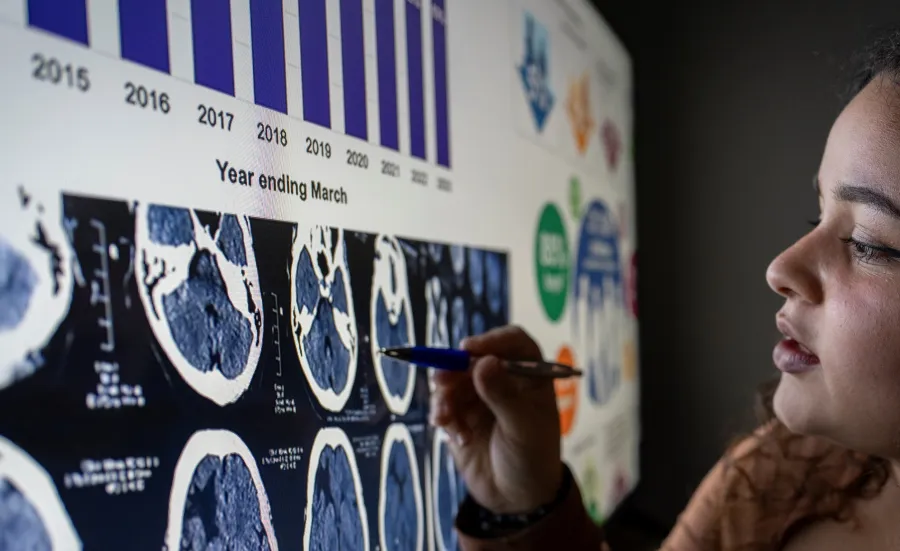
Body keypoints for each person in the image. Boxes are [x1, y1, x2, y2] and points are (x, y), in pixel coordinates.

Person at [431, 28, 900, 551]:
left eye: (867, 243)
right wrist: (525, 508)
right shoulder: (784, 471)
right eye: (817, 213)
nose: (780, 268)